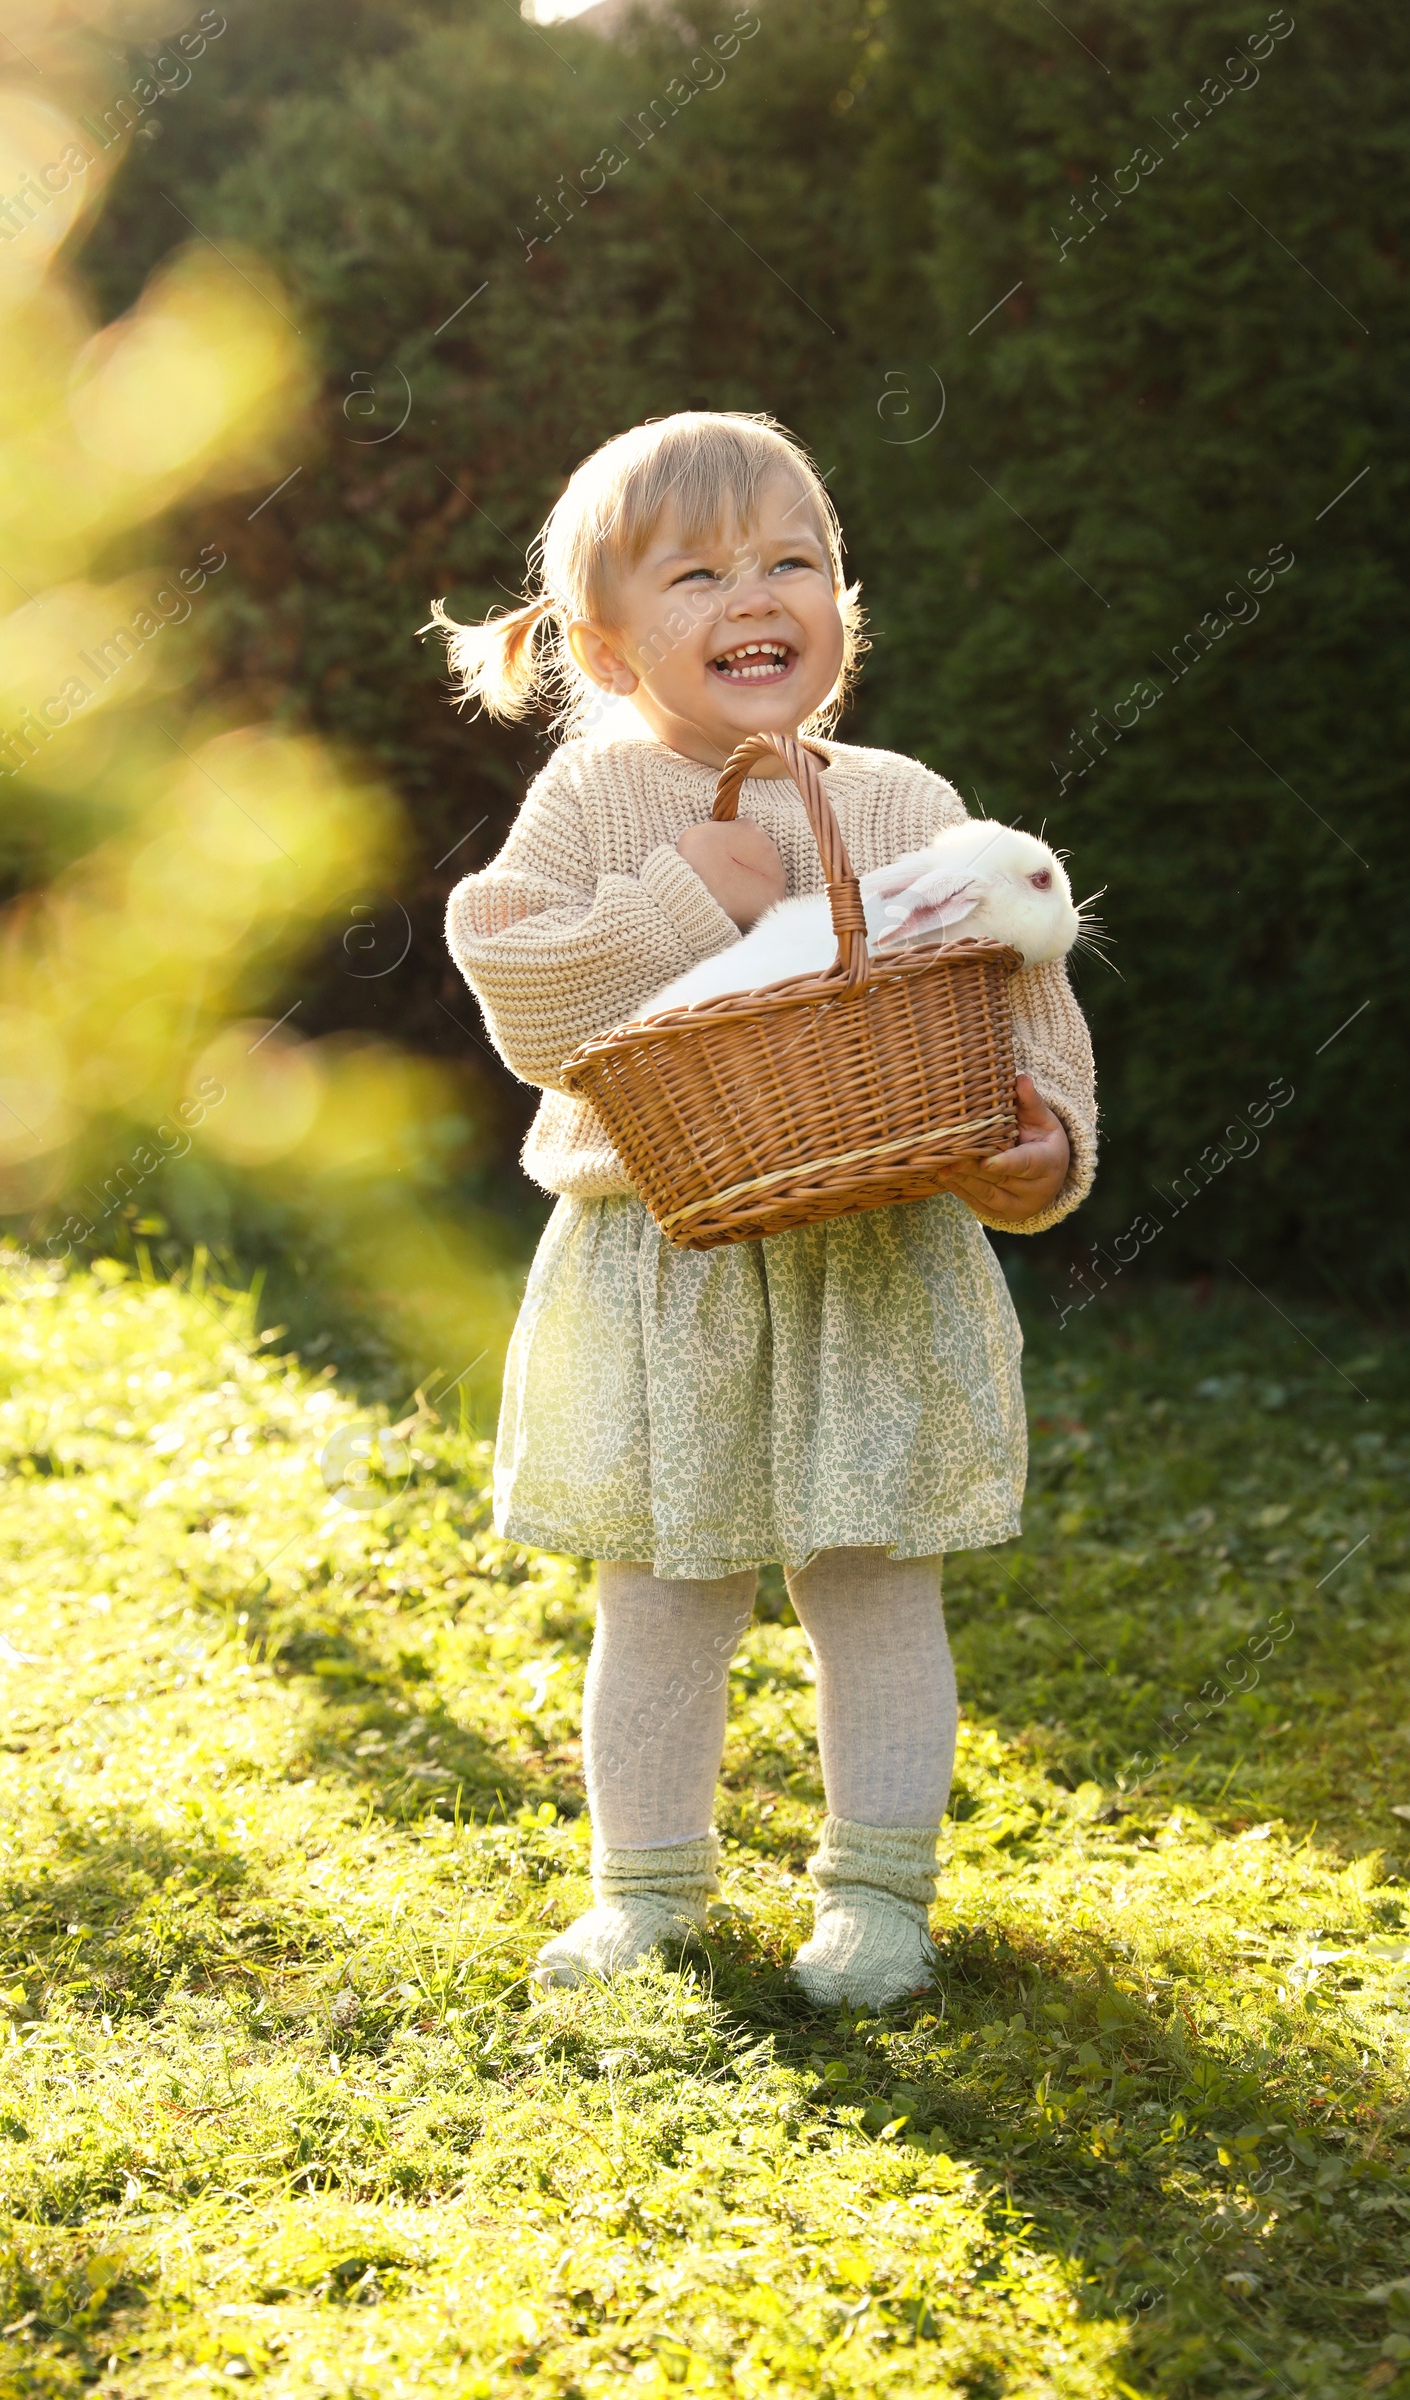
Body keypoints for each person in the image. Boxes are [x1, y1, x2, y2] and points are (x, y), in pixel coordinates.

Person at [436, 411, 1095, 2008]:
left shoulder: (904, 798)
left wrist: (1041, 1143)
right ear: (604, 641)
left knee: (872, 1578)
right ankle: (644, 1892)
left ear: (841, 612)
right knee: (663, 1588)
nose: (759, 592)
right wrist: (683, 896)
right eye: (703, 571)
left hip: (875, 1256)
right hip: (664, 1259)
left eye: (794, 561)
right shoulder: (595, 801)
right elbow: (522, 994)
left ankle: (878, 1891)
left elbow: (1023, 996)